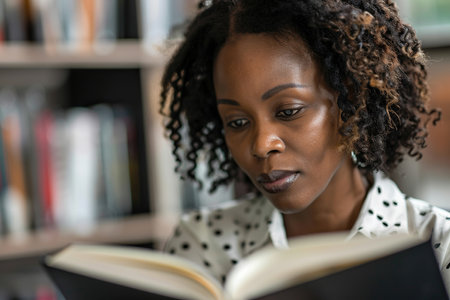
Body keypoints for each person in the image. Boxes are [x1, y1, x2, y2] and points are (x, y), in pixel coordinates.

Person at [160, 0, 450, 289]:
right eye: (237, 122)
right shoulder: (202, 246)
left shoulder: (439, 244)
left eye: (288, 111)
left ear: (350, 101)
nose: (262, 146)